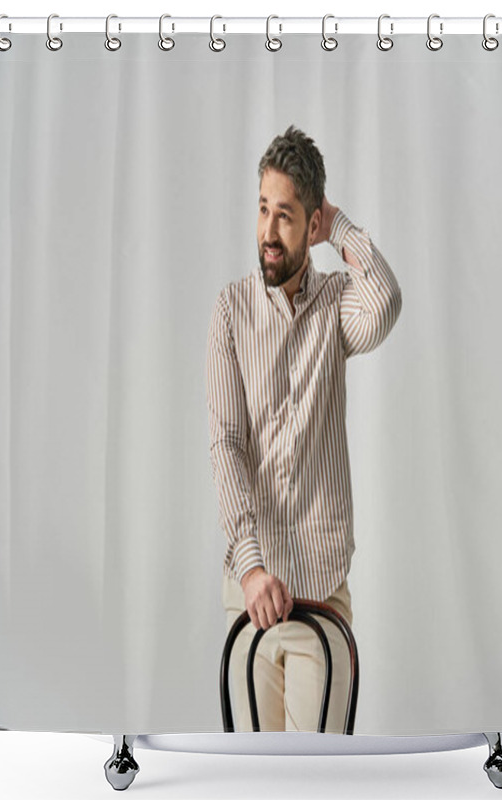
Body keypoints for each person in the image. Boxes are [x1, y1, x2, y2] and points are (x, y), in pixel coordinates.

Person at [206, 124, 402, 732]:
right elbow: (227, 444)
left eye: (286, 215)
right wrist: (252, 564)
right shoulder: (230, 311)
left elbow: (387, 301)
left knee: (321, 780)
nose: (267, 231)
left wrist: (340, 224)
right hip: (253, 600)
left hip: (321, 593)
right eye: (262, 209)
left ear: (311, 225)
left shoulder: (337, 307)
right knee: (253, 782)